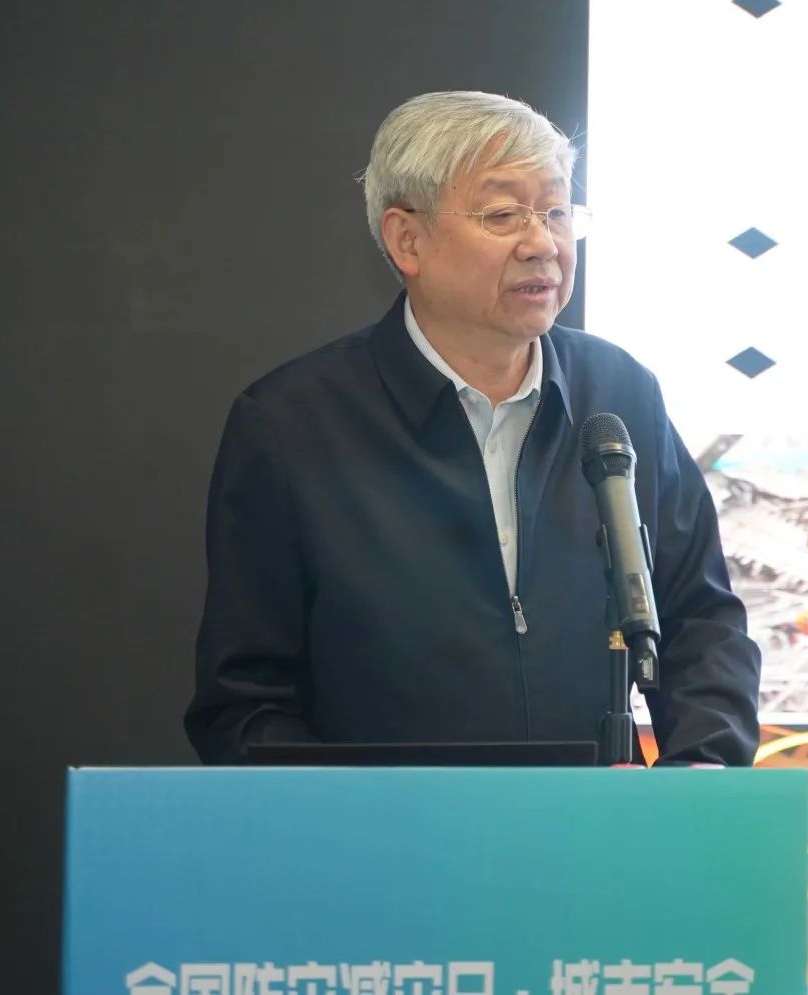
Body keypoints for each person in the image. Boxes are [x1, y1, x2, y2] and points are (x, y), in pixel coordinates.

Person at [184, 90, 761, 766]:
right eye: (502, 215)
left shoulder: (619, 392)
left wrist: (699, 772)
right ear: (408, 240)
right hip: (391, 828)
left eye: (555, 212)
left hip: (596, 822)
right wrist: (352, 815)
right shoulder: (293, 423)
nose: (541, 244)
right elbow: (247, 706)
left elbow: (700, 621)